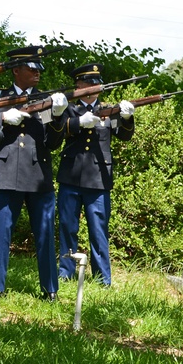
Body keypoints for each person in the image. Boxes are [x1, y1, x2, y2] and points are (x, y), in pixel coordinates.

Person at [0, 46, 68, 301]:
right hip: (7, 171)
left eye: (38, 69)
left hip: (37, 174)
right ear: (17, 70)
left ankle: (50, 288)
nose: (37, 74)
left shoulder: (45, 99)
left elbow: (53, 143)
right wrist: (1, 119)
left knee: (45, 233)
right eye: (31, 69)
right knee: (1, 234)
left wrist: (56, 117)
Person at [56, 63, 136, 286]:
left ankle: (102, 277)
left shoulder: (109, 110)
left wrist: (128, 118)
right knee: (67, 227)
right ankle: (66, 271)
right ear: (79, 85)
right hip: (70, 177)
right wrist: (78, 123)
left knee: (99, 230)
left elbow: (124, 135)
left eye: (97, 82)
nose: (94, 86)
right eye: (89, 82)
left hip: (99, 180)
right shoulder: (69, 109)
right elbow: (57, 130)